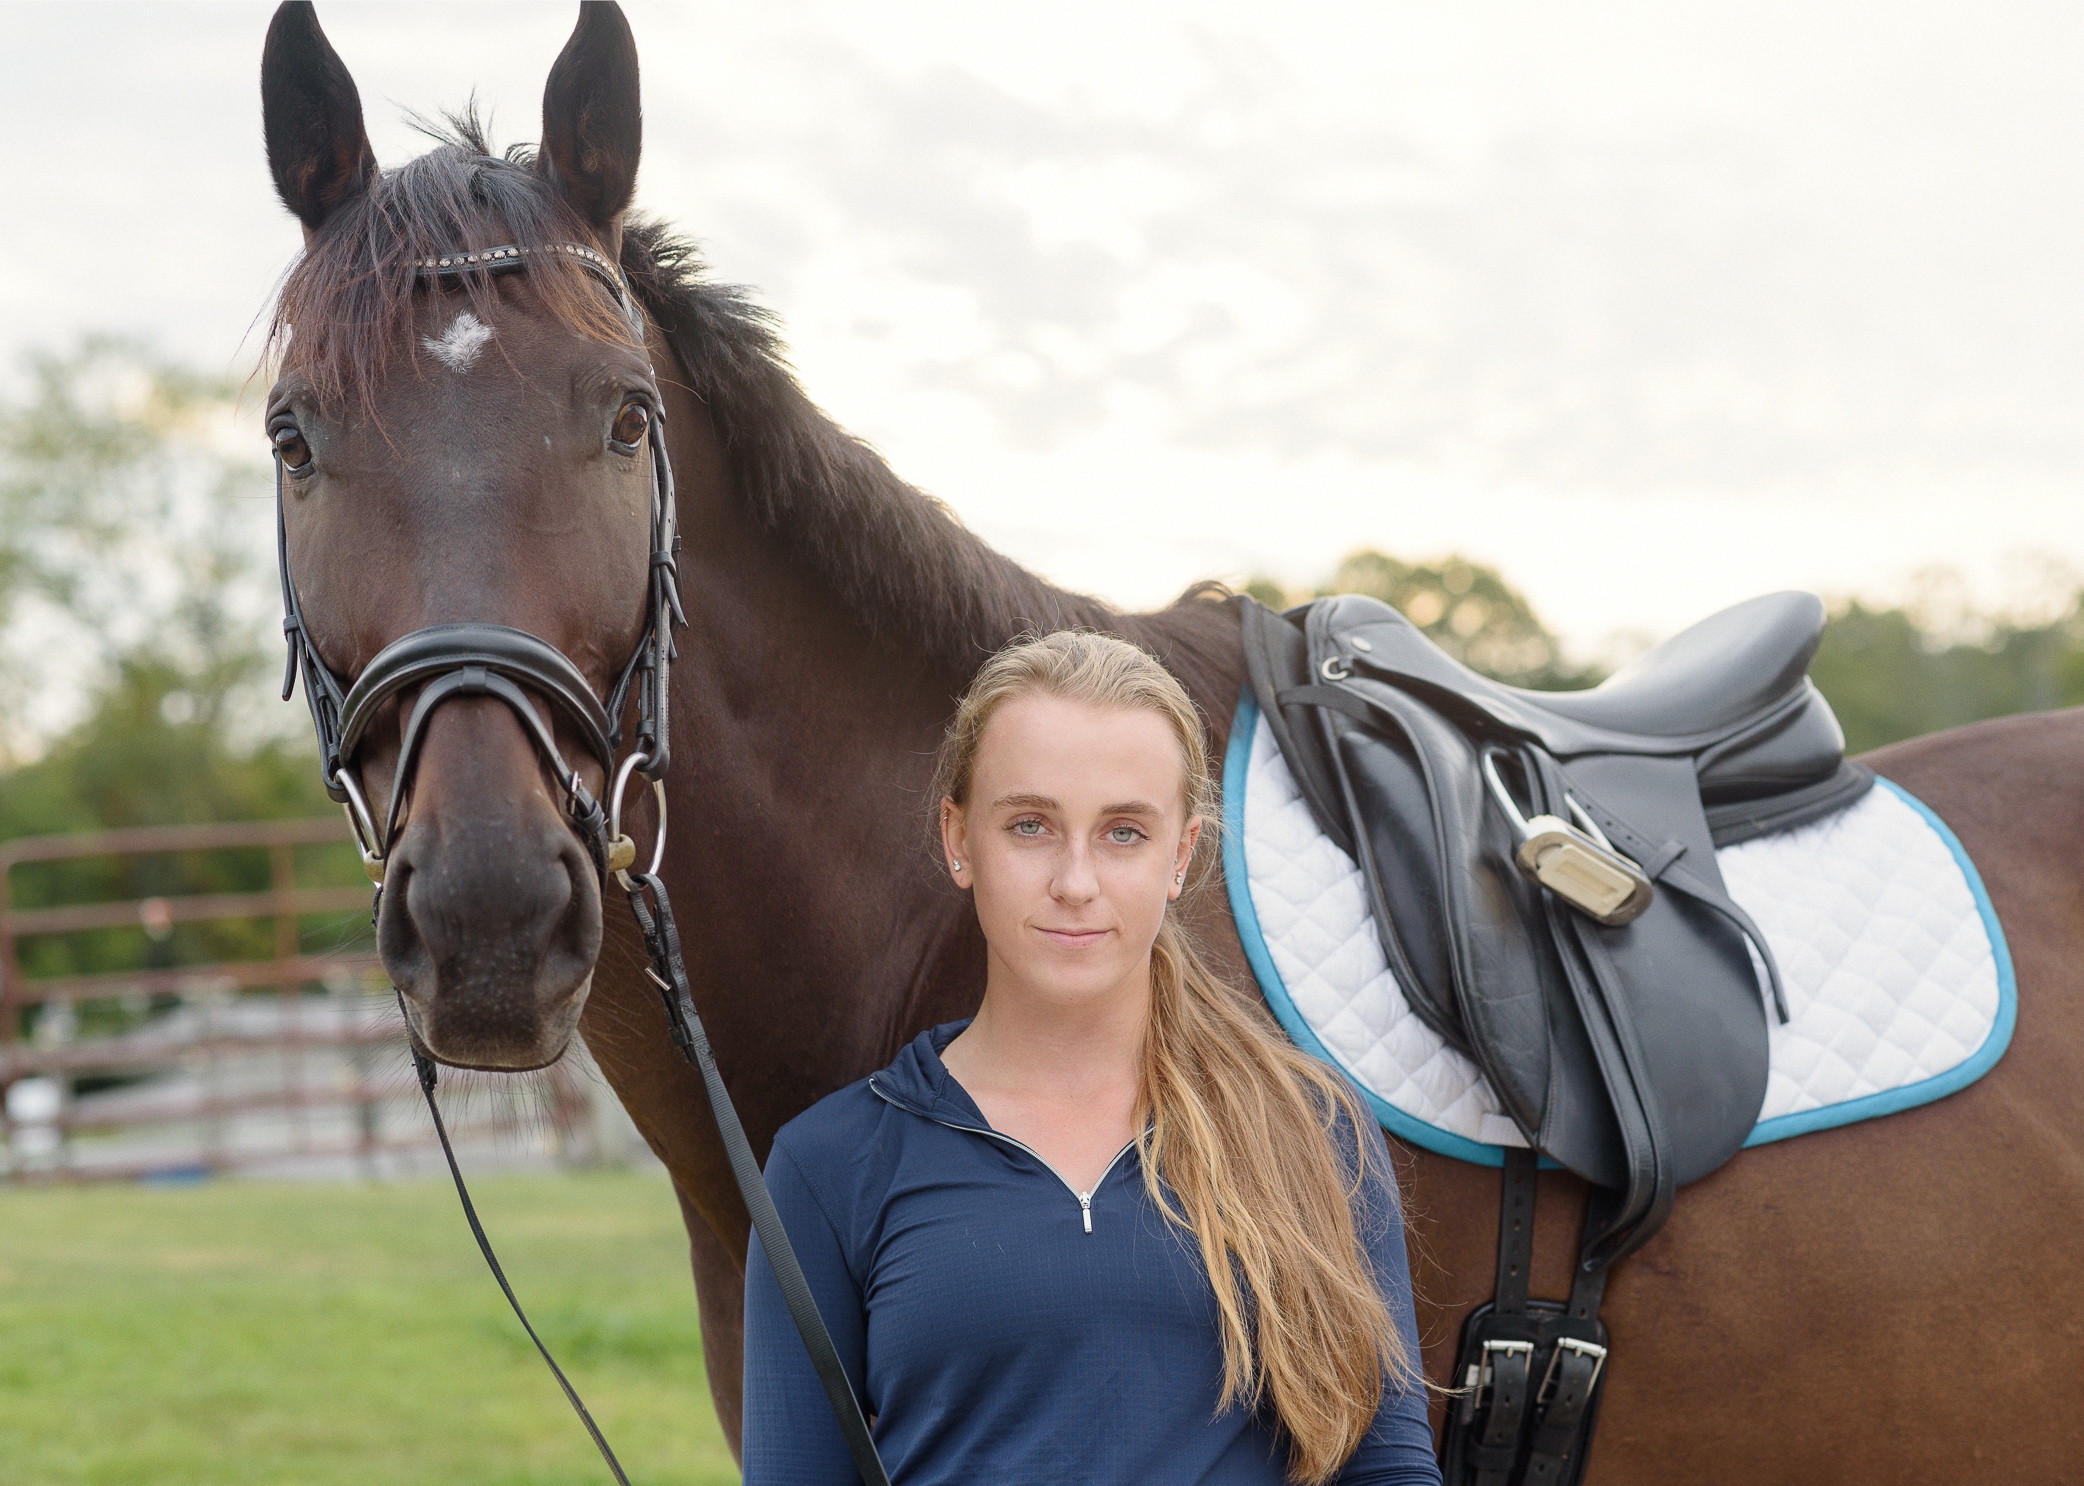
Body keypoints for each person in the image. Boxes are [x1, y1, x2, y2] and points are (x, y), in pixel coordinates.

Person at [742, 630, 1441, 1485]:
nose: (1076, 881)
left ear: (1180, 856)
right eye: (1031, 826)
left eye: (1123, 833)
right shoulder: (826, 1168)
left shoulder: (1315, 1129)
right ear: (958, 837)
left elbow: (1388, 1471)